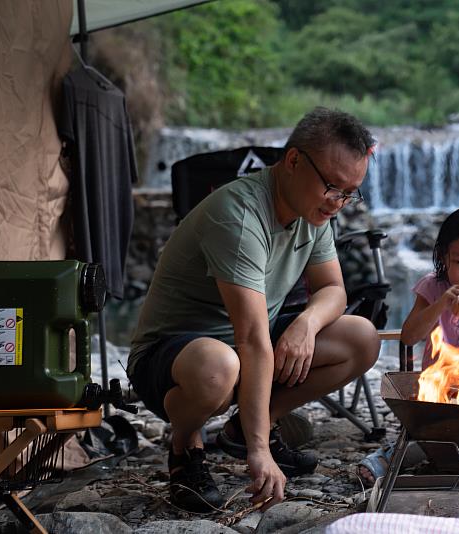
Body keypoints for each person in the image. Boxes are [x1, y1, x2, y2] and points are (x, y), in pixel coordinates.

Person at [127, 107, 381, 513]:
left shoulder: (313, 214)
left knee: (361, 338)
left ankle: (243, 430)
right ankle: (184, 445)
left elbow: (334, 289)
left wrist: (305, 324)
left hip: (249, 343)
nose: (339, 203)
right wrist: (262, 454)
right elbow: (251, 339)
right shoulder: (240, 217)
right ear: (294, 161)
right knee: (220, 368)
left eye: (351, 193)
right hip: (174, 357)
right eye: (333, 187)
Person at [357, 205, 459, 486]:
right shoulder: (432, 286)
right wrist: (441, 302)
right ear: (444, 256)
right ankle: (392, 457)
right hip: (442, 383)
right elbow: (409, 336)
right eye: (458, 261)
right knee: (438, 432)